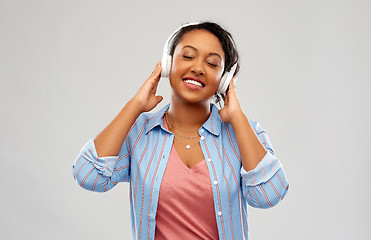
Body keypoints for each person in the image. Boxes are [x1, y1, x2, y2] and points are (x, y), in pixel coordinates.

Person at [72, 21, 289, 240]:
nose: (197, 68)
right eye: (187, 56)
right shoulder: (138, 132)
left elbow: (269, 195)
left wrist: (237, 118)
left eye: (212, 63)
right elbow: (88, 176)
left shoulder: (245, 133)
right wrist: (135, 105)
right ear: (168, 63)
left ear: (224, 80)